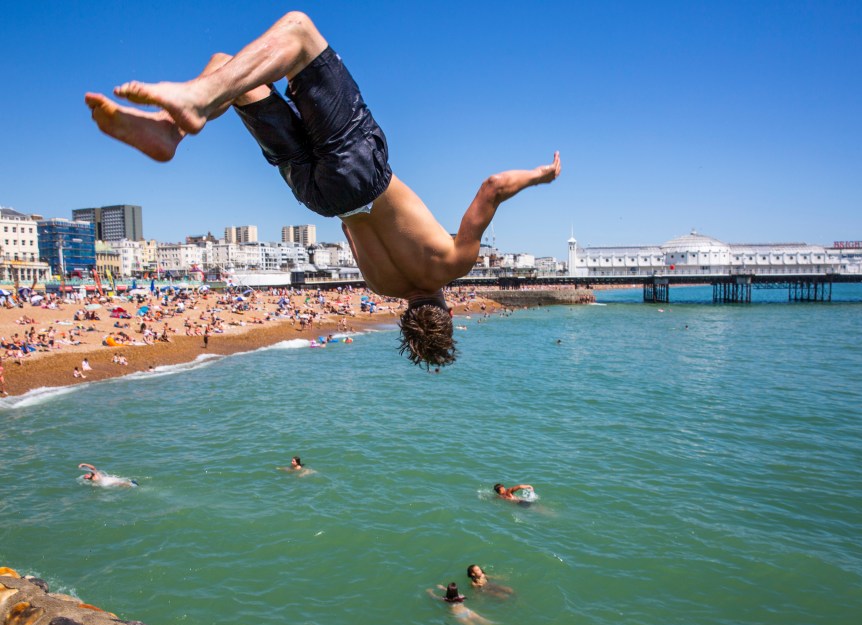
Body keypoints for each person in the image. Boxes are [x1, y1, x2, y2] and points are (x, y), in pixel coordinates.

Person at [85, 11, 561, 368]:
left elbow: (493, 187)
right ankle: (171, 128)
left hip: (362, 174)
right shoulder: (382, 285)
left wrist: (542, 175)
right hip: (321, 197)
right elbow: (353, 228)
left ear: (447, 314)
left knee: (297, 31)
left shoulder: (453, 264)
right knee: (225, 70)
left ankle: (184, 111)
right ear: (407, 321)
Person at [426, 582, 494, 625]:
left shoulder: (445, 599)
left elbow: (434, 597)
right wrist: (443, 588)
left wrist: (429, 592)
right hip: (467, 611)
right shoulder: (461, 596)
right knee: (481, 619)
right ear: (456, 591)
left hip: (458, 614)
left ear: (448, 592)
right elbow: (453, 591)